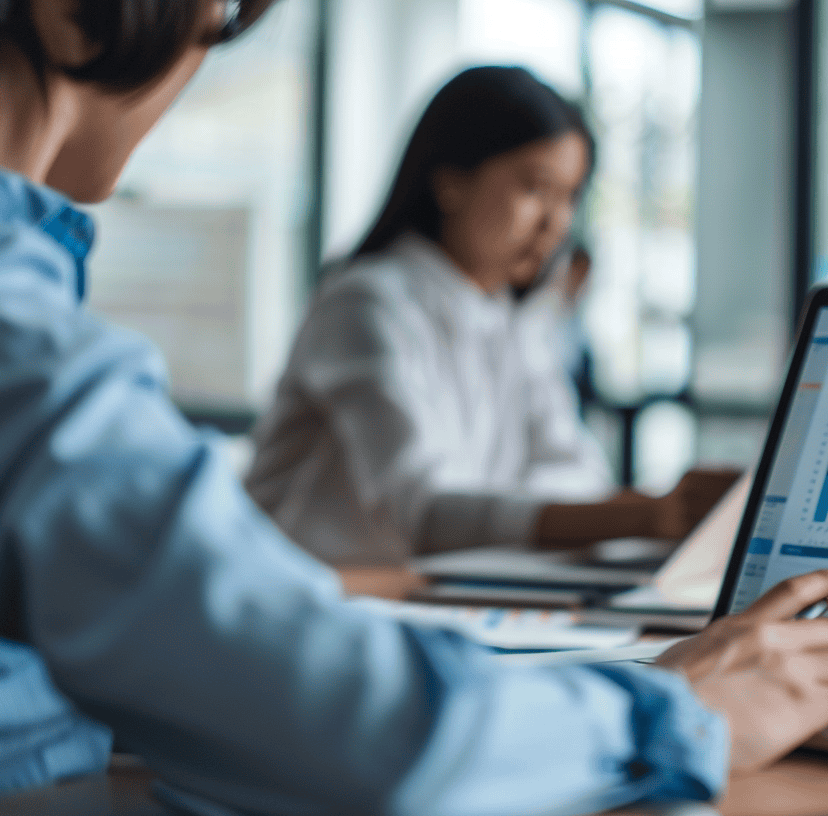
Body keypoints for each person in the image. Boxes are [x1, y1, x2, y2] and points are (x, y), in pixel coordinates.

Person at [0, 1, 828, 812]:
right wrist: (671, 709)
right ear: (75, 17)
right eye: (213, 28)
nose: (193, 70)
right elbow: (358, 717)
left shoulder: (518, 316)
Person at [246, 66, 737, 566]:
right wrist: (647, 515)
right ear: (450, 183)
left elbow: (575, 474)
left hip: (433, 601)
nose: (556, 223)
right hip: (299, 609)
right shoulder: (363, 303)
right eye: (535, 189)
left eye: (570, 196)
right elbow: (424, 514)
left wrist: (624, 512)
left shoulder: (512, 320)